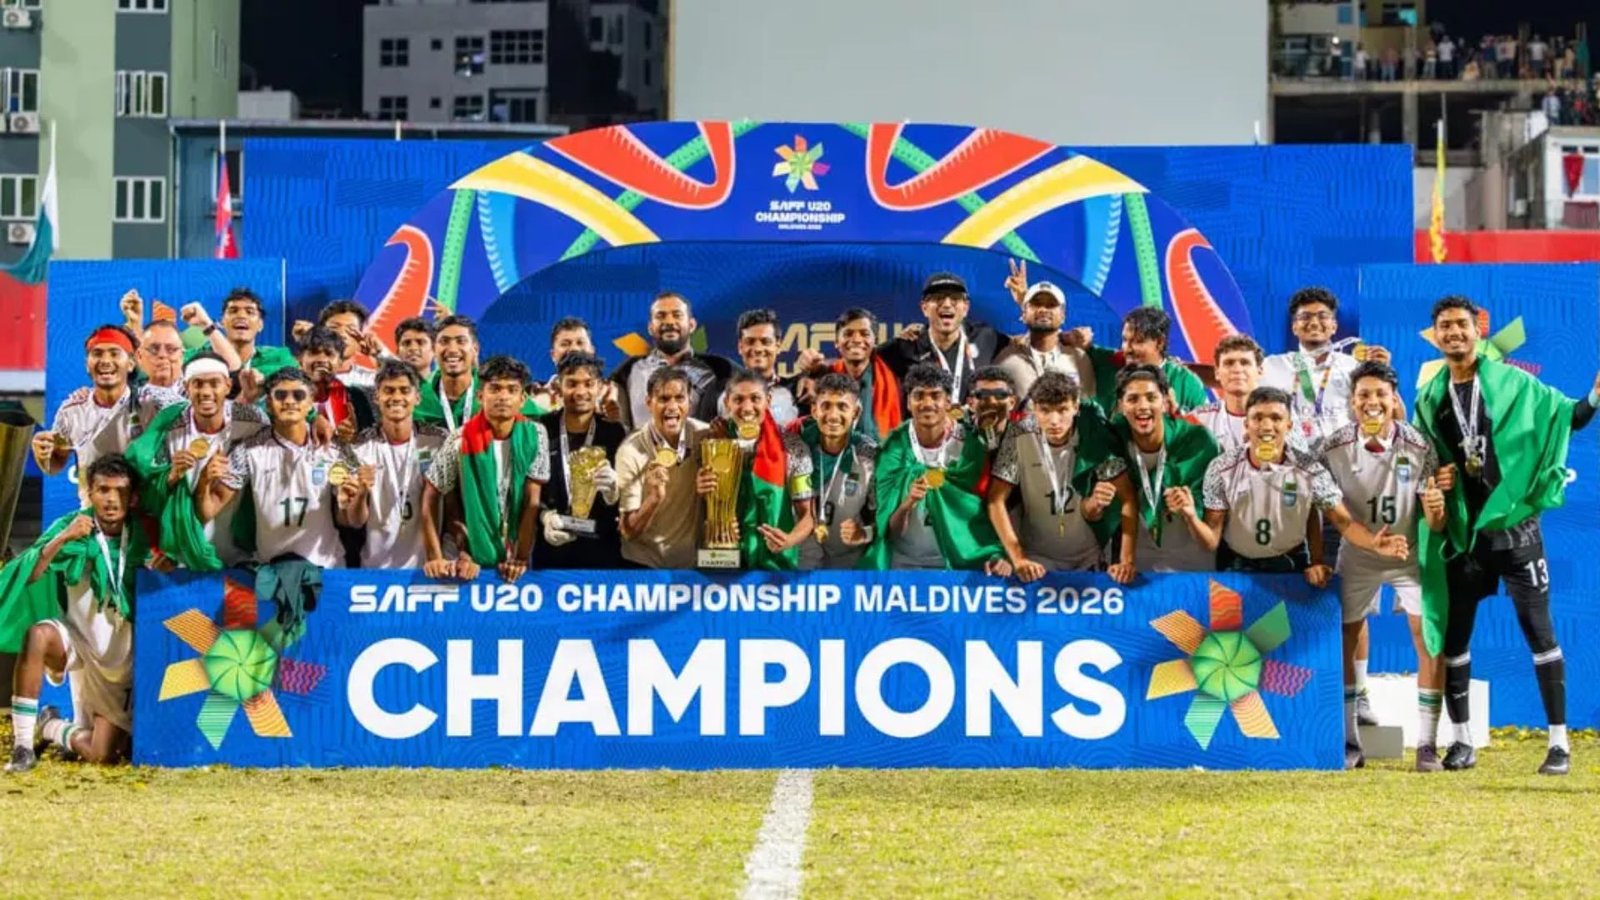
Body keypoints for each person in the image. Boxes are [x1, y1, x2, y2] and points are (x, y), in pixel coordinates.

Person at [1413, 295, 1600, 776]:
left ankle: (1559, 744)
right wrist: (1435, 480)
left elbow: (1568, 417)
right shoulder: (1430, 398)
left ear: (1478, 330)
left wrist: (1595, 396)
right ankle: (1461, 742)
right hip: (1464, 538)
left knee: (1541, 634)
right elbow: (1419, 463)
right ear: (1435, 336)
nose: (1454, 332)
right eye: (1445, 326)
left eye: (1461, 324)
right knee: (1455, 640)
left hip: (1517, 534)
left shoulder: (1514, 383)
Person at [1321, 361, 1447, 771]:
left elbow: (1435, 521)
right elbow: (1338, 517)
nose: (1372, 402)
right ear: (1352, 402)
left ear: (1395, 400)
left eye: (1380, 394)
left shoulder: (1421, 445)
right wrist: (1371, 541)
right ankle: (1349, 741)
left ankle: (1427, 744)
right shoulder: (1331, 447)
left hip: (1409, 553)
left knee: (1427, 638)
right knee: (1345, 636)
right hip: (1360, 552)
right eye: (1364, 395)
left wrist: (1436, 512)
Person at [1, 455, 164, 772]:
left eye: (120, 491)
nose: (111, 500)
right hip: (77, 644)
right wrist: (63, 538)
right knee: (38, 635)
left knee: (103, 754)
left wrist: (164, 564)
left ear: (133, 498)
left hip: (122, 663)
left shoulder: (146, 534)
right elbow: (30, 574)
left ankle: (50, 725)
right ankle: (22, 748)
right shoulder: (72, 525)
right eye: (103, 490)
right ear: (90, 493)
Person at [198, 368, 358, 571]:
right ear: (268, 403)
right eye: (281, 395)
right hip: (270, 571)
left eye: (298, 395)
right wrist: (204, 481)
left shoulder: (333, 448)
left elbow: (350, 518)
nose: (289, 401)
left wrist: (352, 500)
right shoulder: (249, 450)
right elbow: (209, 509)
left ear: (311, 402)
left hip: (326, 567)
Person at [123, 352, 269, 570]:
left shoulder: (253, 421)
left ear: (228, 386)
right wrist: (171, 476)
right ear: (186, 388)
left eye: (214, 383)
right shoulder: (169, 426)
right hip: (179, 557)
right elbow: (145, 492)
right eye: (198, 384)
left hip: (237, 558)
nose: (206, 392)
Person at [988, 372, 1136, 583]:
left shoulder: (1094, 434)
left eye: (1062, 410)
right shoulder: (1019, 435)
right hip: (1037, 559)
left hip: (1088, 557)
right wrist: (1018, 558)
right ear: (1034, 408)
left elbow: (1128, 497)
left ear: (1076, 407)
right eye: (1045, 411)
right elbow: (995, 500)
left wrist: (1126, 561)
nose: (1054, 421)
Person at [866, 364, 1009, 573]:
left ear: (948, 402)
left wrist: (998, 554)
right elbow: (889, 531)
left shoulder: (972, 447)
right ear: (908, 402)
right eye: (919, 396)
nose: (927, 404)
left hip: (958, 560)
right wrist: (908, 503)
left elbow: (984, 511)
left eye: (935, 396)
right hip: (903, 561)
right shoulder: (893, 448)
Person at [419, 355, 549, 583]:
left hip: (518, 552)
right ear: (480, 396)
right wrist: (435, 557)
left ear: (522, 399)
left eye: (512, 390)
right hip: (464, 557)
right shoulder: (459, 439)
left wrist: (519, 558)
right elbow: (430, 496)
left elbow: (532, 502)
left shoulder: (536, 435)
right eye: (495, 389)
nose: (503, 396)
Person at [33, 326, 182, 495]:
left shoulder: (153, 404)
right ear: (87, 364)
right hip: (94, 508)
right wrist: (43, 454)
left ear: (131, 363)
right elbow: (55, 463)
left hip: (146, 506)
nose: (105, 360)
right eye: (97, 354)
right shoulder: (72, 412)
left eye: (114, 353)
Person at [339, 360, 451, 569]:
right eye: (388, 391)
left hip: (428, 567)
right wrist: (362, 491)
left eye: (404, 390)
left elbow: (454, 506)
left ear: (417, 397)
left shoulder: (438, 441)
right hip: (376, 568)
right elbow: (354, 521)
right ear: (376, 397)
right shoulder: (359, 448)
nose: (397, 397)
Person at [1111, 365, 1219, 572]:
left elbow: (1211, 536)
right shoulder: (1113, 437)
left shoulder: (1199, 442)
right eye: (1133, 399)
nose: (1143, 406)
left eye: (1151, 398)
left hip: (1190, 551)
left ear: (1166, 402)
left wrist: (1190, 513)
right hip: (1139, 552)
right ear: (1121, 405)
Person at [1261, 287, 1391, 451]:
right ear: (1294, 327)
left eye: (1322, 316)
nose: (1314, 323)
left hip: (1344, 458)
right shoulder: (1272, 366)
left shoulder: (1354, 367)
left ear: (1334, 326)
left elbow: (1389, 416)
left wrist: (1383, 376)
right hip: (1293, 460)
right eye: (1305, 317)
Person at [711, 369, 814, 569]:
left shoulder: (793, 447)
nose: (747, 407)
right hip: (724, 561)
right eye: (738, 399)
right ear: (727, 402)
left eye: (755, 398)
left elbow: (808, 516)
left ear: (768, 400)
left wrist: (789, 539)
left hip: (777, 566)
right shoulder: (713, 443)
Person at [535, 351, 627, 569]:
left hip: (602, 552)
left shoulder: (614, 432)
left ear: (600, 387)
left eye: (588, 384)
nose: (580, 392)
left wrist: (614, 495)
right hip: (551, 551)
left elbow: (627, 499)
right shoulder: (541, 428)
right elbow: (526, 489)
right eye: (572, 384)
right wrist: (544, 516)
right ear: (558, 386)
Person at [615, 366, 712, 569]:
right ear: (649, 403)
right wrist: (654, 499)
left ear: (690, 402)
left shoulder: (706, 437)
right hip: (644, 566)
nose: (672, 406)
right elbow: (628, 531)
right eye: (664, 399)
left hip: (692, 566)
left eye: (679, 398)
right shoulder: (630, 451)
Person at [609, 292, 734, 431]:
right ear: (650, 328)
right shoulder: (630, 371)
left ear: (691, 325)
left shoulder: (719, 371)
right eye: (660, 316)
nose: (669, 322)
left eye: (677, 315)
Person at [792, 373, 877, 570]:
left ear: (856, 413)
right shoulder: (794, 449)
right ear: (814, 410)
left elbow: (885, 520)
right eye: (826, 406)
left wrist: (864, 533)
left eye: (842, 407)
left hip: (849, 567)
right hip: (800, 566)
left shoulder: (870, 457)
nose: (832, 416)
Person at [877, 273, 1004, 406]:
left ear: (966, 307)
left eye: (955, 298)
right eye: (938, 298)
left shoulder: (986, 336)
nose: (947, 304)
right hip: (925, 418)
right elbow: (866, 359)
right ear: (924, 308)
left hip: (974, 419)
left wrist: (1019, 300)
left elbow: (1018, 344)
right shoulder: (906, 345)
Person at [1083, 308, 1209, 414]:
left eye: (1138, 341)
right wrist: (1080, 339)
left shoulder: (1187, 383)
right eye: (1125, 340)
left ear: (1160, 343)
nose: (1127, 349)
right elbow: (1079, 346)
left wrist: (1176, 415)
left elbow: (1206, 427)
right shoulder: (1109, 362)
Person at [994, 273, 1094, 402]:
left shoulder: (1079, 359)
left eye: (1051, 305)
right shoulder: (1006, 357)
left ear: (1063, 316)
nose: (1043, 309)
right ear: (1023, 314)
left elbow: (1087, 407)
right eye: (1036, 304)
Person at [823, 307, 901, 441]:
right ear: (836, 342)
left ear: (875, 341)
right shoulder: (823, 378)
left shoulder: (895, 374)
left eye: (865, 334)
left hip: (883, 452)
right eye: (848, 334)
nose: (856, 339)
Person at [298, 326, 376, 443]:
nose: (322, 360)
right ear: (300, 360)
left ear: (340, 362)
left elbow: (370, 445)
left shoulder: (357, 397)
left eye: (329, 354)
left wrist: (354, 439)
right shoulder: (284, 396)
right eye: (314, 353)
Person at [198, 287, 296, 378]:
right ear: (222, 322)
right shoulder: (200, 355)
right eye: (233, 311)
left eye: (250, 312)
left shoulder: (280, 357)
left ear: (260, 325)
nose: (241, 316)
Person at [1192, 334, 1266, 453]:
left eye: (1245, 362)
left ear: (1260, 371)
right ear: (1217, 373)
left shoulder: (1282, 417)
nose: (1237, 369)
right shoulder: (1199, 419)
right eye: (1229, 363)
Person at [734, 308, 801, 426]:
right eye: (750, 342)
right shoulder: (723, 393)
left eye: (766, 341)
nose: (758, 349)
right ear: (740, 347)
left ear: (778, 345)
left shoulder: (796, 392)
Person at [313, 299, 379, 388]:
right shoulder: (303, 376)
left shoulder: (373, 381)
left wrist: (379, 356)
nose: (342, 334)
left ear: (361, 338)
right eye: (334, 327)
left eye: (351, 329)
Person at [967, 366, 1020, 455]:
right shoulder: (959, 438)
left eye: (1000, 394)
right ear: (970, 403)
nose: (992, 401)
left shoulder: (1023, 438)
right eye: (983, 394)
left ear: (1012, 402)